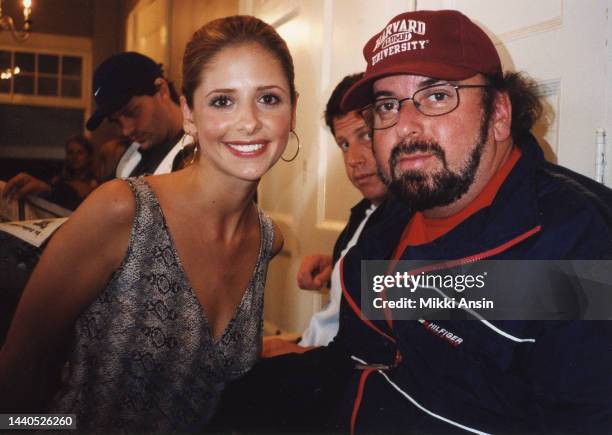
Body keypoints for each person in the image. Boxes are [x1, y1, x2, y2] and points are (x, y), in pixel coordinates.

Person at [214, 9, 612, 434]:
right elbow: (358, 356)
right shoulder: (395, 215)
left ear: (499, 113)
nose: (405, 127)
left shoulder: (579, 242)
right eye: (387, 105)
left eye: (437, 96)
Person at [0, 15, 297, 432]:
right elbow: (15, 379)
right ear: (189, 114)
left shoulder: (268, 240)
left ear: (293, 111)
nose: (248, 121)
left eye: (268, 98)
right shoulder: (122, 210)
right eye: (222, 101)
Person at [263, 73, 387, 357]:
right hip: (314, 347)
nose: (353, 159)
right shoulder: (366, 211)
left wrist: (298, 354)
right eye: (343, 144)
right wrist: (339, 266)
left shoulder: (409, 218)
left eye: (366, 135)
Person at [86, 51, 192, 178]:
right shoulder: (128, 159)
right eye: (117, 121)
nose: (126, 130)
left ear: (162, 90)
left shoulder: (202, 154)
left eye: (132, 112)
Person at [2, 135, 98, 210]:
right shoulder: (57, 182)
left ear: (89, 156)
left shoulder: (97, 185)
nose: (74, 157)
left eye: (79, 152)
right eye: (70, 152)